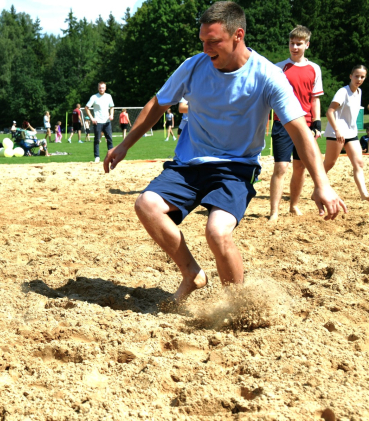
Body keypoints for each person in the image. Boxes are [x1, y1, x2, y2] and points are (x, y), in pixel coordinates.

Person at [103, 1, 345, 303]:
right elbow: (158, 103)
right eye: (203, 41)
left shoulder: (267, 76)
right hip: (189, 166)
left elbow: (300, 131)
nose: (206, 48)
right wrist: (125, 144)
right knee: (146, 205)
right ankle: (192, 274)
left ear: (237, 35)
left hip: (235, 169)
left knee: (217, 232)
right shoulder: (193, 66)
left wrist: (322, 185)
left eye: (213, 41)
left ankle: (239, 305)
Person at [268, 25, 325, 221]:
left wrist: (316, 122)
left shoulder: (314, 68)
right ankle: (274, 211)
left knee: (300, 167)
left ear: (307, 45)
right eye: (292, 43)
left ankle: (293, 205)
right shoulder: (278, 68)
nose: (294, 47)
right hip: (282, 123)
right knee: (281, 167)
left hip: (305, 124)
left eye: (299, 44)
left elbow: (314, 98)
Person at [323, 65, 368, 201]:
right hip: (336, 133)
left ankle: (364, 194)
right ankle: (317, 188)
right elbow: (329, 111)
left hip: (351, 133)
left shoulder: (359, 92)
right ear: (350, 76)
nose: (359, 79)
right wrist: (337, 130)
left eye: (362, 77)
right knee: (329, 164)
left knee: (359, 163)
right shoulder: (342, 92)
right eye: (356, 76)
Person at [86, 81, 115, 163]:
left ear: (105, 88)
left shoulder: (109, 96)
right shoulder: (94, 97)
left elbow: (112, 107)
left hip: (107, 121)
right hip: (98, 122)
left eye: (102, 88)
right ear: (98, 88)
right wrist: (92, 118)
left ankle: (111, 156)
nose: (101, 89)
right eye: (100, 88)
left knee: (109, 139)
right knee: (97, 139)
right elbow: (87, 107)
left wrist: (111, 115)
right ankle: (97, 157)